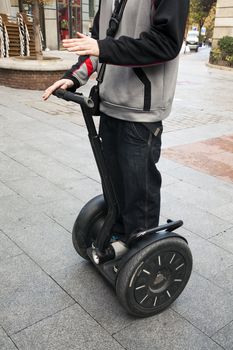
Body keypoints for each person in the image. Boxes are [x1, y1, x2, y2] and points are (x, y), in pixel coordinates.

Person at [43, 0, 190, 239]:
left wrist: (102, 47)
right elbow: (98, 42)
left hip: (141, 112)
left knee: (138, 194)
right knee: (114, 185)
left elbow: (166, 43)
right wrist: (74, 77)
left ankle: (141, 250)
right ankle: (119, 236)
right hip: (110, 105)